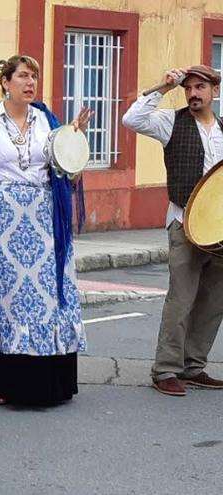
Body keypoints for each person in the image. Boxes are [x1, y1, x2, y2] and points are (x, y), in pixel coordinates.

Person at [0, 55, 92, 407]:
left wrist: (74, 143)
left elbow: (64, 171)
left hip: (41, 222)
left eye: (34, 77)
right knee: (3, 300)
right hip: (0, 220)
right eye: (23, 76)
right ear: (5, 82)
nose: (30, 83)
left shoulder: (48, 121)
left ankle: (39, 383)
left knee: (40, 301)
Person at [122, 65, 223, 396]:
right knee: (181, 298)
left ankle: (193, 366)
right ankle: (165, 369)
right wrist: (163, 87)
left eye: (200, 87)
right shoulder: (171, 122)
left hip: (219, 232)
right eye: (189, 88)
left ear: (214, 92)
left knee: (213, 300)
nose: (193, 93)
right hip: (182, 221)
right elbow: (131, 120)